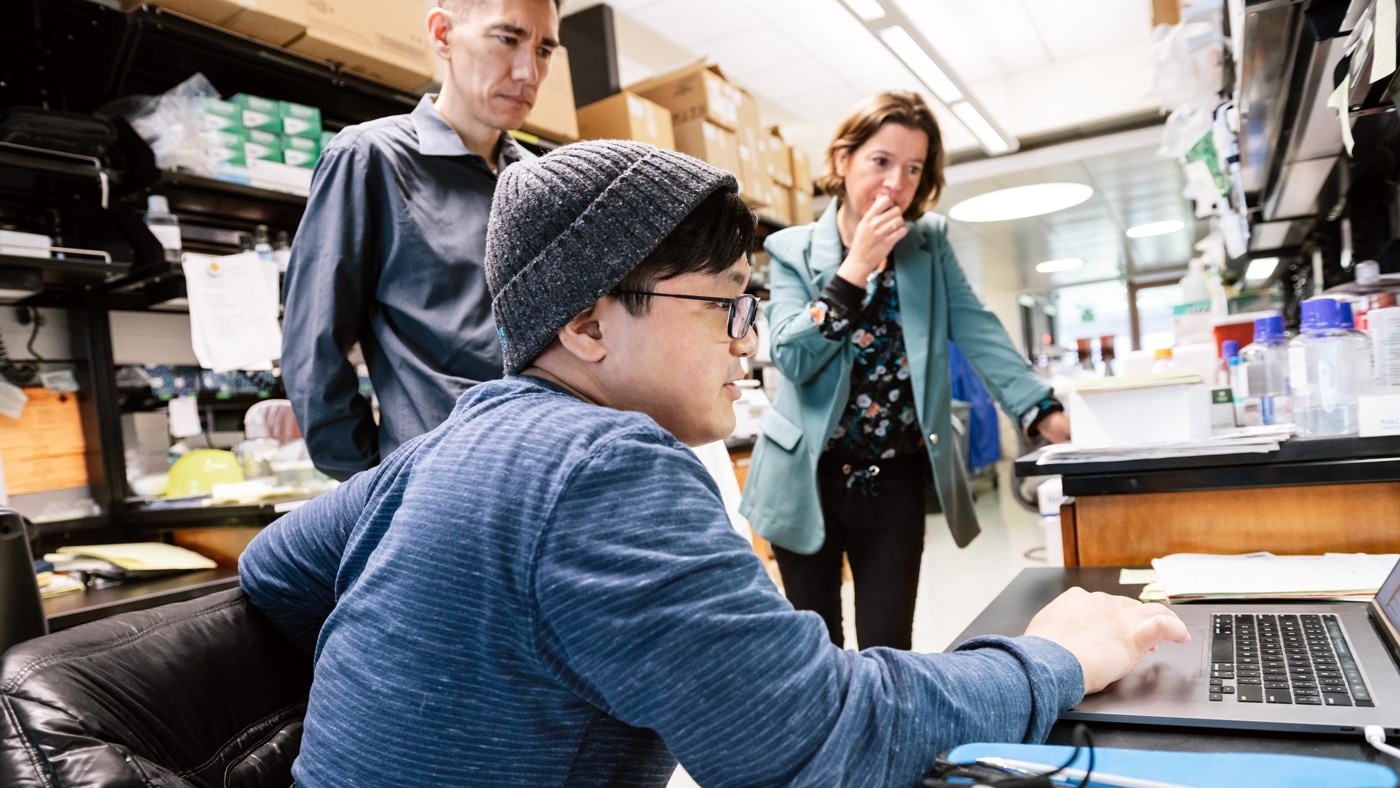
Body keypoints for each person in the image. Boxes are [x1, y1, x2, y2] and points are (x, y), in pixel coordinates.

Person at [239, 140, 1187, 787]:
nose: (750, 342)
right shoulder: (602, 467)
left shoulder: (443, 446)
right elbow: (823, 744)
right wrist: (1056, 658)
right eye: (726, 305)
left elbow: (270, 570)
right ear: (585, 323)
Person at [740, 92, 1073, 651]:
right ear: (843, 161)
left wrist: (1042, 409)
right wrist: (855, 268)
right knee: (811, 649)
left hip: (893, 479)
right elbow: (793, 358)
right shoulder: (792, 248)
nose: (897, 182)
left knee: (889, 647)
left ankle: (887, 742)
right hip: (806, 478)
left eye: (914, 168)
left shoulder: (928, 244)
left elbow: (977, 328)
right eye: (881, 161)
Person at [280, 0, 561, 481]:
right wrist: (374, 480)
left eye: (545, 49)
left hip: (554, 471)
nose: (528, 71)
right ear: (442, 34)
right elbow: (312, 349)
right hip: (441, 489)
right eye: (508, 39)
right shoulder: (370, 158)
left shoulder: (543, 181)